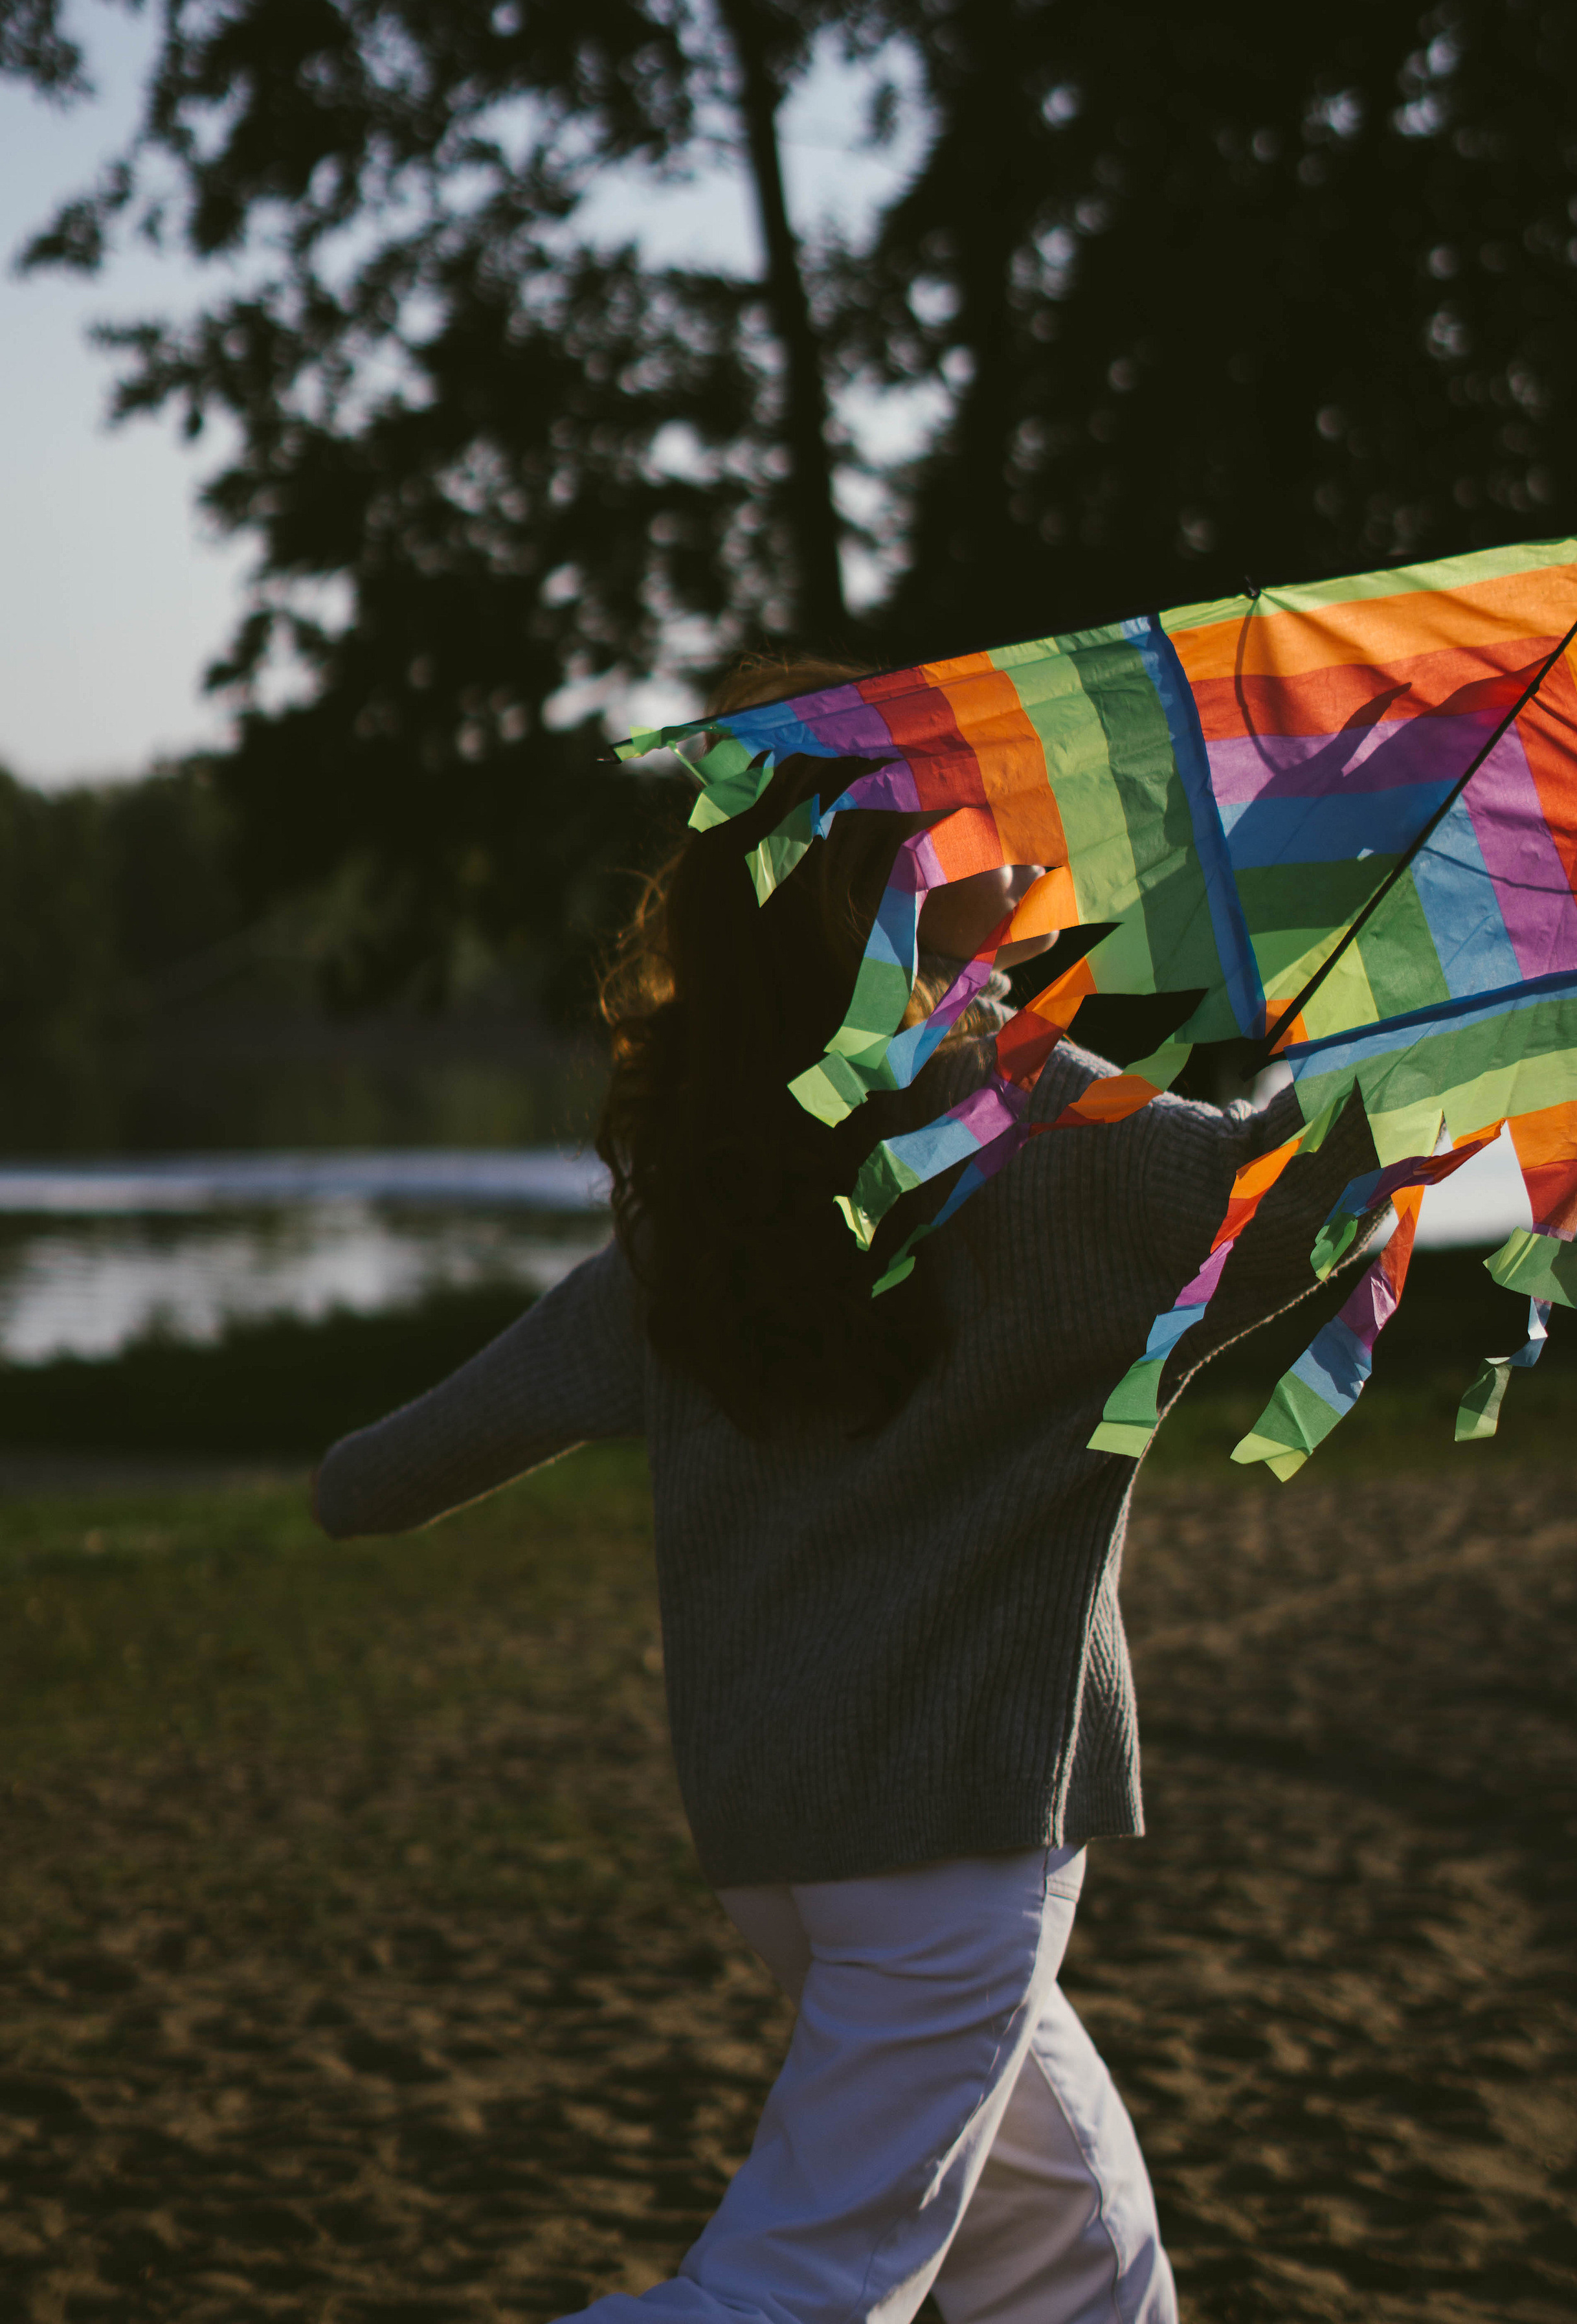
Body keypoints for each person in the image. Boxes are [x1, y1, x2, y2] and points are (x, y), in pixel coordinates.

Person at [313, 658, 1371, 2323]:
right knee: (802, 2290)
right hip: (949, 1833)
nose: (1031, 868)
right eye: (988, 836)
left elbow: (406, 1463)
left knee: (1071, 2252)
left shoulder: (714, 1195)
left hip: (781, 1848)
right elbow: (1325, 1194)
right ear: (905, 901)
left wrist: (343, 1483)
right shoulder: (1075, 1162)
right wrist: (1412, 974)